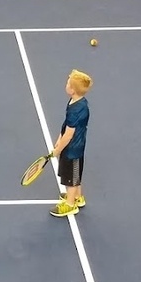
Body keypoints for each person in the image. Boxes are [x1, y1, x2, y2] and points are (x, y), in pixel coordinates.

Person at [50, 70, 92, 218]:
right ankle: (78, 197)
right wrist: (58, 138)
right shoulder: (77, 102)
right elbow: (66, 126)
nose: (66, 84)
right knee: (74, 175)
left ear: (73, 90)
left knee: (71, 178)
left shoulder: (76, 109)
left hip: (73, 149)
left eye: (68, 83)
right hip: (72, 146)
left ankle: (70, 204)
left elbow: (69, 134)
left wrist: (57, 150)